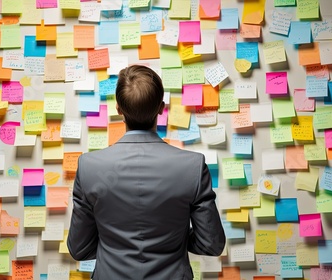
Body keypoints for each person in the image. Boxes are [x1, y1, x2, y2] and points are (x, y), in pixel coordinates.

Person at [67, 65, 225, 280]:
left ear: (119, 109)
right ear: (161, 108)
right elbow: (212, 244)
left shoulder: (89, 166)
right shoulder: (193, 166)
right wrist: (175, 239)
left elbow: (79, 248)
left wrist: (114, 246)